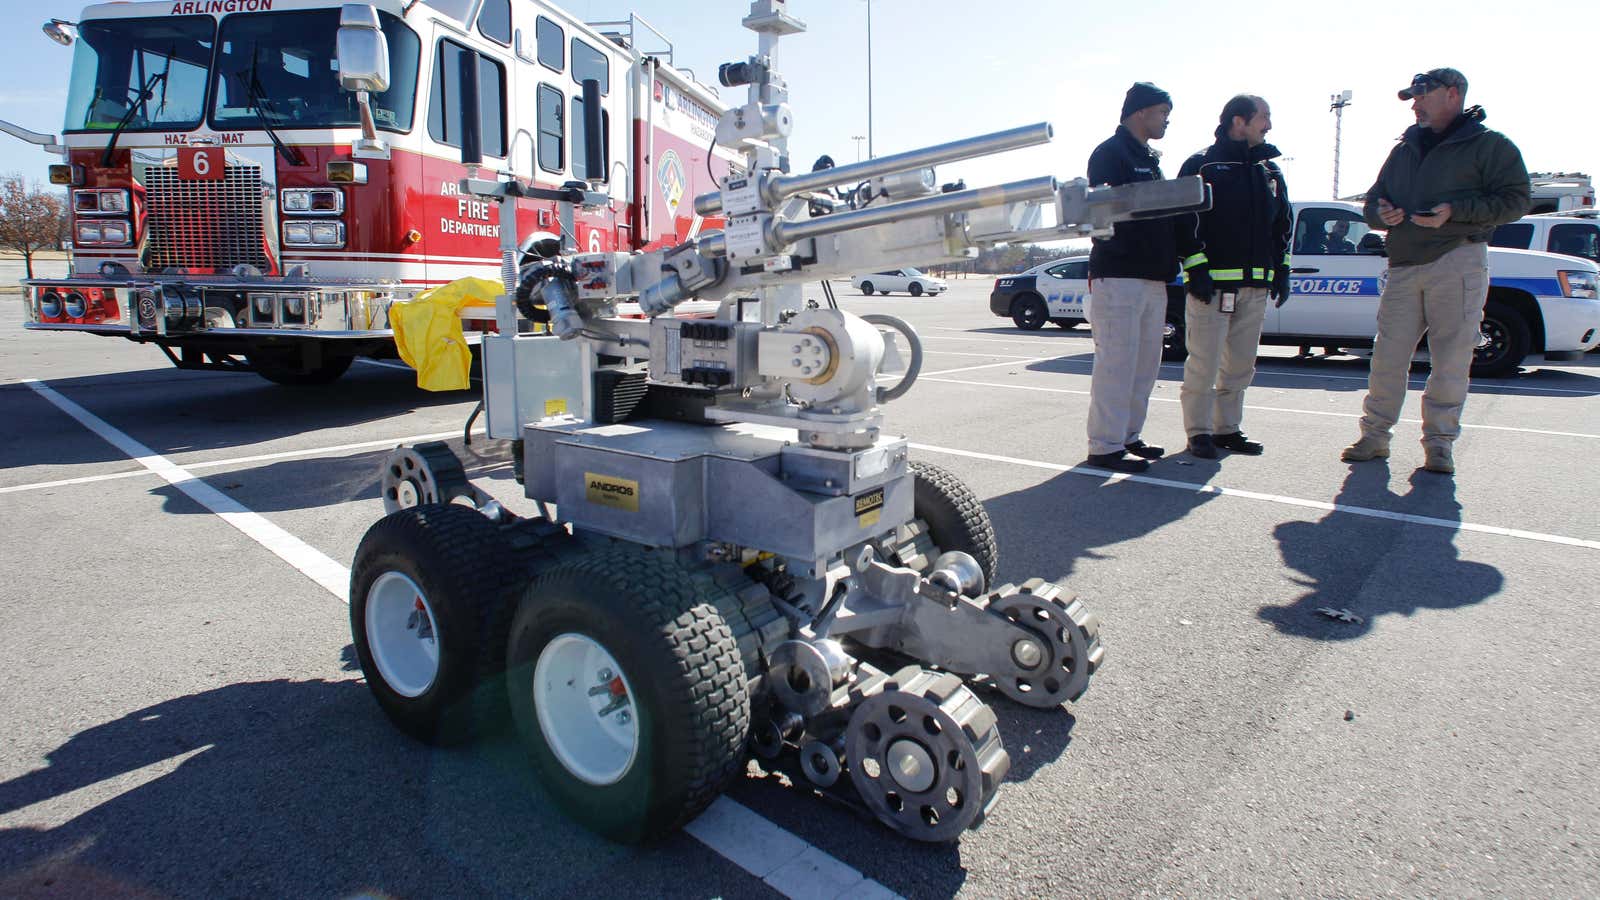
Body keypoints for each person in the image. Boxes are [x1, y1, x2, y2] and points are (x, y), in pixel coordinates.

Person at [1341, 68, 1530, 475]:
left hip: (1458, 260)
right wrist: (1382, 214)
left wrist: (1454, 213)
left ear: (1452, 94)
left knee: (1451, 358)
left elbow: (1516, 201)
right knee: (1387, 356)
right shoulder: (1404, 149)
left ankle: (1439, 444)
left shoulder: (1490, 147)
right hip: (1405, 264)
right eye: (1413, 97)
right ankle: (1374, 436)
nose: (1416, 104)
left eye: (1423, 95)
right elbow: (1373, 202)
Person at [1174, 95, 1291, 459]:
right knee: (1204, 364)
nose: (1269, 125)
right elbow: (1183, 222)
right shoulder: (1202, 165)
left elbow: (1282, 226)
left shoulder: (1269, 171)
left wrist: (1281, 270)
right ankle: (1199, 432)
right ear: (1238, 121)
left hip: (1254, 288)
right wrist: (1196, 268)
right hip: (1212, 290)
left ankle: (1227, 429)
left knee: (1240, 365)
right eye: (1263, 118)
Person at [1083, 82, 1185, 473]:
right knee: (1117, 363)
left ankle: (1127, 435)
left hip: (1152, 276)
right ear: (1141, 111)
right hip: (1120, 275)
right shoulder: (1110, 154)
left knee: (1145, 363)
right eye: (1162, 112)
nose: (1167, 120)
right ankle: (1105, 445)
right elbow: (1104, 211)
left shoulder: (1150, 158)